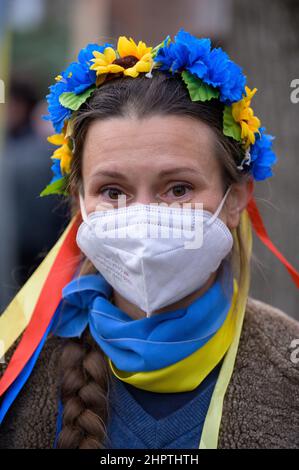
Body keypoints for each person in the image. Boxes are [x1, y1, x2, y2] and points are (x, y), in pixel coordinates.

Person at [0, 29, 298, 449]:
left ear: (236, 199)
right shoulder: (14, 369)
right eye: (112, 192)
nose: (143, 218)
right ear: (79, 201)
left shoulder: (290, 366)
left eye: (178, 189)